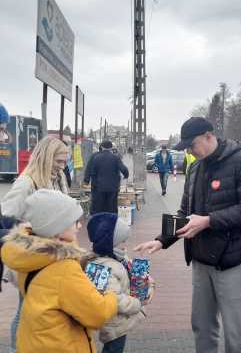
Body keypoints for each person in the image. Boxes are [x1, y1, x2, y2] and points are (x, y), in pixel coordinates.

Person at [134, 117, 241, 353]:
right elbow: (185, 212)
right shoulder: (194, 167)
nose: (190, 151)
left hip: (230, 260)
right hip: (201, 258)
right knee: (202, 326)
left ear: (208, 135)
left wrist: (208, 221)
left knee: (236, 334)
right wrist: (161, 240)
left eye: (192, 145)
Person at [0, 189, 121, 353]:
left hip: (36, 341)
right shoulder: (63, 267)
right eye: (74, 221)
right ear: (55, 227)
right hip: (61, 344)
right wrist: (112, 294)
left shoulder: (29, 255)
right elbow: (97, 314)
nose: (79, 226)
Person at [0, 135, 69, 352]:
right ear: (46, 157)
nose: (62, 166)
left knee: (37, 308)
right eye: (59, 161)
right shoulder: (27, 182)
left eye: (64, 162)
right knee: (26, 308)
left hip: (50, 254)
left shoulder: (56, 177)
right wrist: (31, 230)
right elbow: (7, 217)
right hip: (32, 256)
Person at [86, 212, 154, 353]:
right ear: (111, 242)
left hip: (120, 321)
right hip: (113, 324)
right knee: (113, 349)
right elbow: (112, 298)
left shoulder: (119, 256)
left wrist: (146, 284)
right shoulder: (102, 266)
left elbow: (132, 276)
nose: (125, 245)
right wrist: (137, 303)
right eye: (122, 241)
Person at [87, 140, 129, 214]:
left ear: (102, 147)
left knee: (98, 208)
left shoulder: (96, 158)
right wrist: (126, 175)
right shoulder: (115, 158)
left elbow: (91, 172)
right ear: (111, 148)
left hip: (99, 188)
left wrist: (88, 181)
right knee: (111, 208)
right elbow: (124, 169)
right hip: (113, 188)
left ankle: (99, 223)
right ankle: (110, 223)